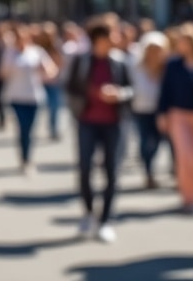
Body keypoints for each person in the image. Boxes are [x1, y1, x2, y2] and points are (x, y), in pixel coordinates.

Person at [64, 18, 134, 244]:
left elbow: (131, 89)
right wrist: (89, 94)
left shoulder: (120, 61)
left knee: (112, 171)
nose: (117, 38)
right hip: (87, 122)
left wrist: (119, 94)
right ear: (100, 38)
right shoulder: (82, 61)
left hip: (114, 123)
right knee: (85, 168)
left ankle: (105, 220)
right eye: (113, 34)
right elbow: (70, 88)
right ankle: (88, 213)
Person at [158, 23, 193, 215]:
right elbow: (165, 91)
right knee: (185, 156)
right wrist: (162, 113)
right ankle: (188, 196)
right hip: (179, 114)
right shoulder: (173, 65)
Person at [0, 25, 60, 175]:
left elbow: (52, 69)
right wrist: (10, 69)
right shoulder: (10, 53)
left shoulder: (37, 52)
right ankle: (25, 158)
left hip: (34, 96)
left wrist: (45, 73)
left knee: (30, 129)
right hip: (16, 96)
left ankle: (28, 157)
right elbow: (2, 73)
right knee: (23, 128)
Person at [131, 31, 169, 190]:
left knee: (157, 142)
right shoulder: (136, 67)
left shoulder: (167, 68)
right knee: (145, 142)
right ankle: (148, 171)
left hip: (160, 112)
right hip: (141, 110)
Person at [38, 22, 67, 141]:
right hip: (40, 82)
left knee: (54, 107)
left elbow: (61, 63)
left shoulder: (57, 47)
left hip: (54, 82)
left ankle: (53, 128)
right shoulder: (38, 48)